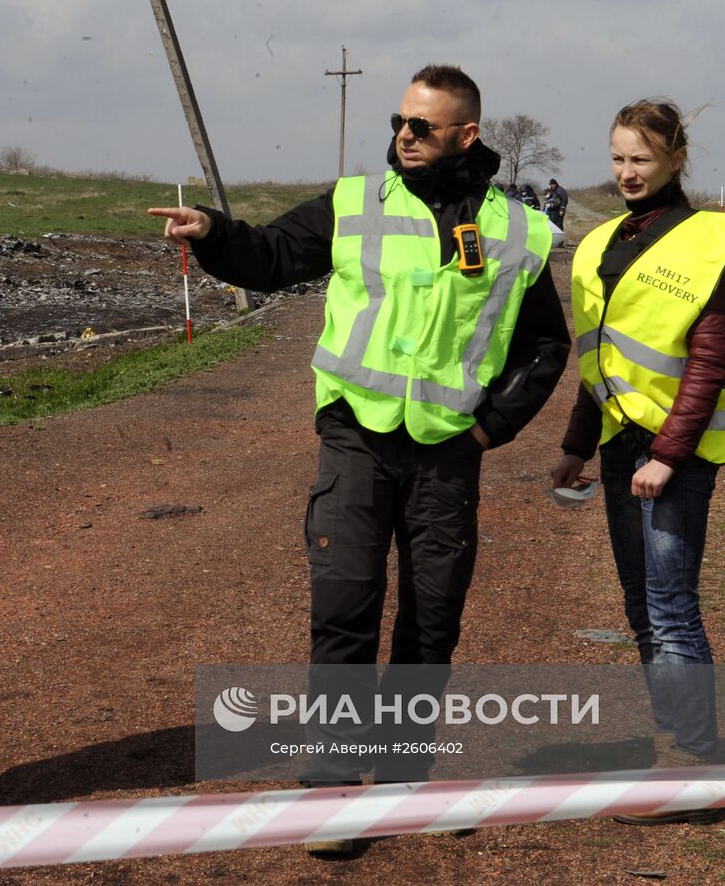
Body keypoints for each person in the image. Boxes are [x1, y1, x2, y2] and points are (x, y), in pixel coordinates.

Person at [150, 64, 570, 852]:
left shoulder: (517, 230)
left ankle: (405, 777)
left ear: (466, 136)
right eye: (399, 122)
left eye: (421, 126)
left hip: (449, 453)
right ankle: (336, 790)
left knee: (431, 618)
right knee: (344, 607)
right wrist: (212, 231)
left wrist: (490, 429)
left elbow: (544, 346)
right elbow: (271, 255)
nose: (403, 135)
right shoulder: (355, 202)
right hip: (357, 439)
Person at [549, 99, 725, 824]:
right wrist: (577, 444)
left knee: (672, 609)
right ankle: (675, 751)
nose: (626, 172)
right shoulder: (605, 239)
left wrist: (669, 456)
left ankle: (693, 764)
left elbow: (711, 363)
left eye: (640, 158)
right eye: (616, 157)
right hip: (618, 448)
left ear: (676, 158)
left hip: (678, 453)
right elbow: (598, 357)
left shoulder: (707, 243)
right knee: (641, 608)